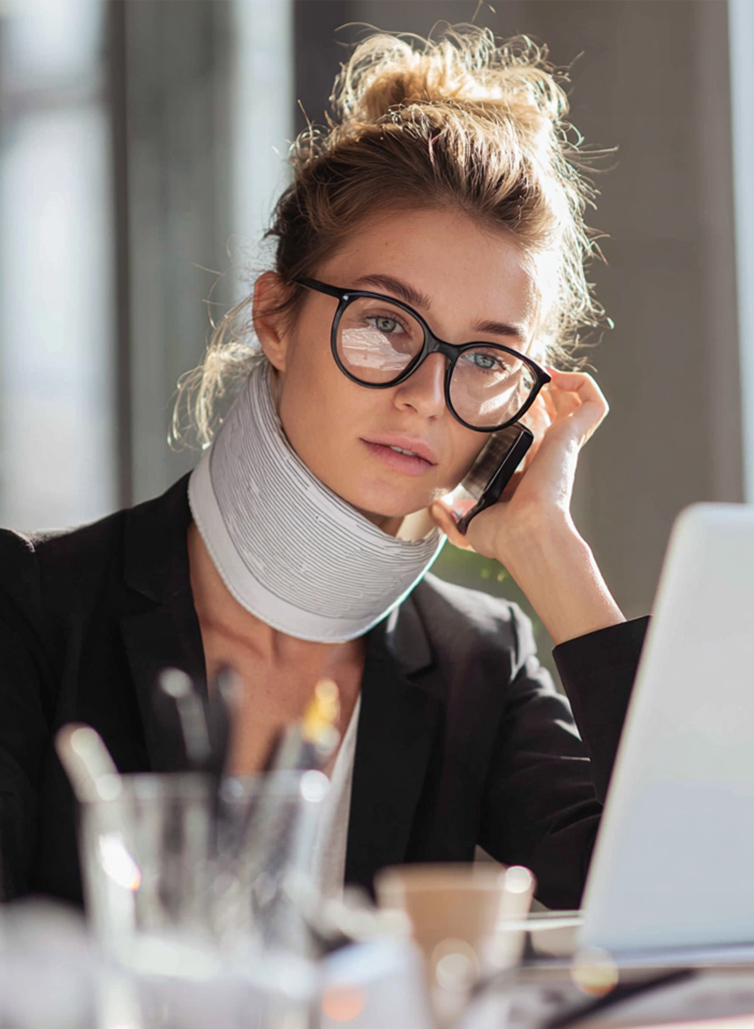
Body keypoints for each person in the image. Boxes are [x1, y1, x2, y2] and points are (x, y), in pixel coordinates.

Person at [0, 26, 649, 908]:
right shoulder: (33, 608)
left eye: (487, 360)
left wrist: (552, 553)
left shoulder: (476, 665)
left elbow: (678, 897)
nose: (427, 393)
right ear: (275, 317)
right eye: (385, 323)